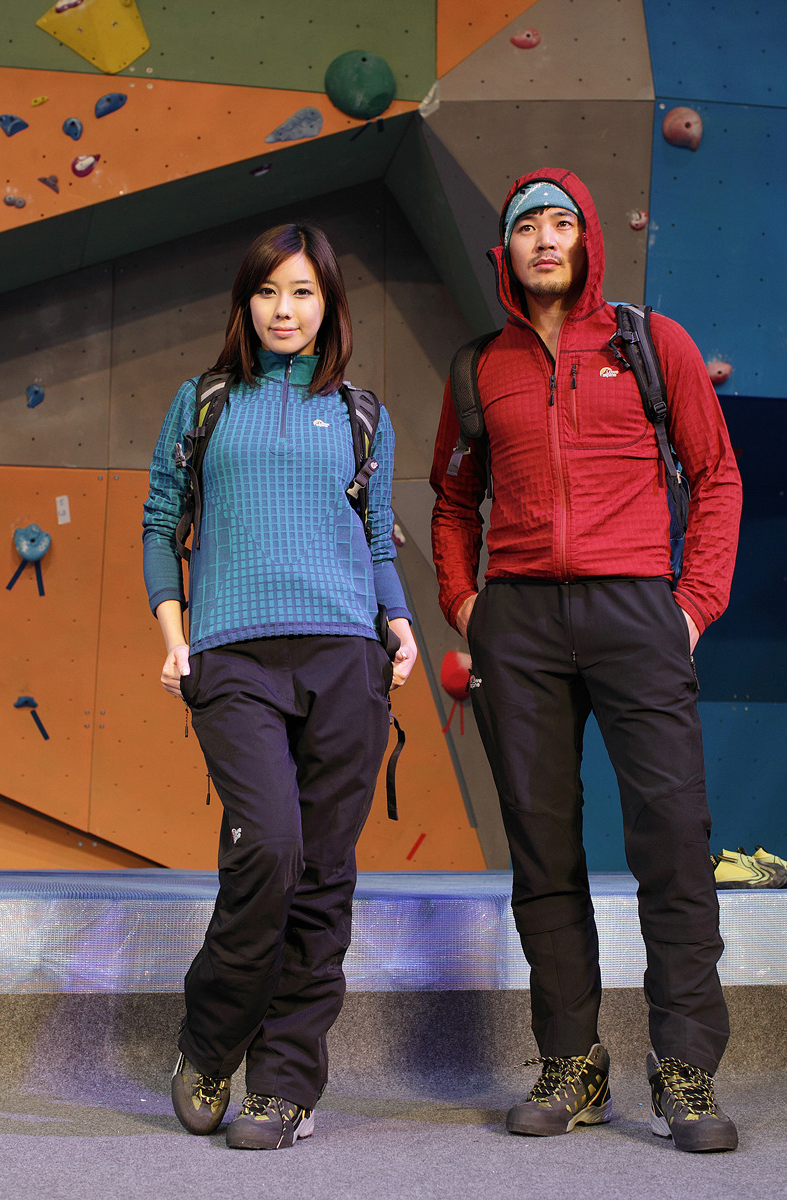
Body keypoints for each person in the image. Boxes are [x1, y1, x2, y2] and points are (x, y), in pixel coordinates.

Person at [430, 169, 742, 1153]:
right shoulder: (478, 368)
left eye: (560, 222)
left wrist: (691, 606)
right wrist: (467, 607)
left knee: (673, 838)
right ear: (506, 253)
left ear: (587, 240)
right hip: (518, 621)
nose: (544, 238)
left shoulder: (652, 344)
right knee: (541, 851)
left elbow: (715, 475)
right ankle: (572, 1061)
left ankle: (684, 1066)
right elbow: (452, 503)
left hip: (637, 609)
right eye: (526, 226)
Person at [143, 222, 417, 1150]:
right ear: (246, 303)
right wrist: (175, 636)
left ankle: (286, 1082)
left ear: (328, 304)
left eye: (302, 292)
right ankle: (210, 1044)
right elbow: (160, 524)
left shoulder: (362, 414)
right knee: (267, 850)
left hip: (346, 657)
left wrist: (398, 622)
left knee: (324, 875)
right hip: (233, 657)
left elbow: (376, 539)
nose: (284, 309)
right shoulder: (204, 402)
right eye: (268, 292)